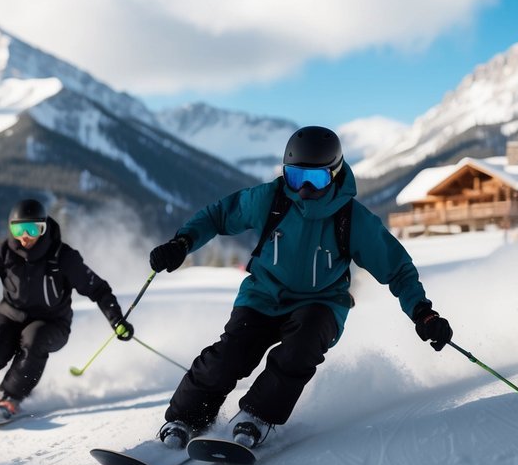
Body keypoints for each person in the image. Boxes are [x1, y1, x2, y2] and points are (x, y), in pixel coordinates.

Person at [147, 126, 453, 448]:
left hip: (321, 302)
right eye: (295, 177)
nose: (304, 189)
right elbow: (218, 215)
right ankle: (186, 417)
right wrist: (182, 242)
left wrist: (422, 312)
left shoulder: (352, 219)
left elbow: (398, 269)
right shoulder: (270, 200)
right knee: (229, 355)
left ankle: (257, 415)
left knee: (300, 348)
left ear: (334, 175)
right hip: (263, 295)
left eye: (316, 179)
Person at [0, 198, 135, 423]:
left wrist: (116, 319)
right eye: (19, 228)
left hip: (52, 322)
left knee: (33, 340)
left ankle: (10, 397)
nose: (25, 236)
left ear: (43, 229)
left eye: (33, 229)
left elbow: (97, 289)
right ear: (11, 228)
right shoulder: (3, 252)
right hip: (11, 316)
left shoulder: (62, 256)